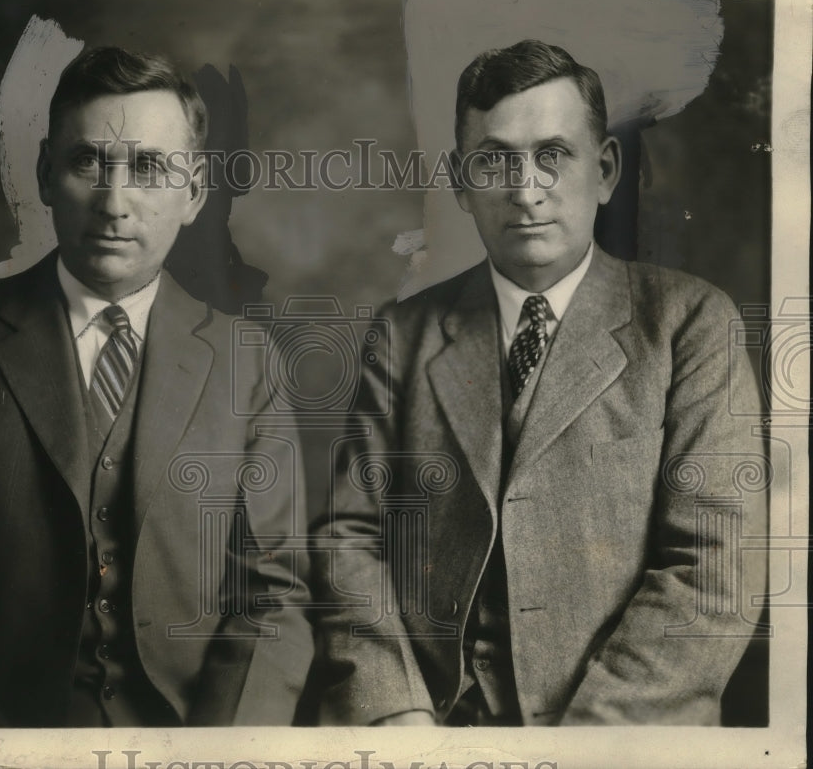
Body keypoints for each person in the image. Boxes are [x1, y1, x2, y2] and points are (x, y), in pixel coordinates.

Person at [311, 39, 766, 726]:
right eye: (494, 161)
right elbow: (351, 538)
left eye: (553, 154)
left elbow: (712, 572)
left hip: (618, 735)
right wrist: (394, 712)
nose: (525, 190)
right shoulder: (402, 335)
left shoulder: (689, 324)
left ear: (606, 170)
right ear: (461, 182)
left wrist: (581, 741)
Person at [0, 47, 312, 726]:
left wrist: (215, 751)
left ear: (194, 193)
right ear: (47, 174)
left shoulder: (249, 360)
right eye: (88, 164)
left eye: (148, 168)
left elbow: (277, 595)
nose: (114, 202)